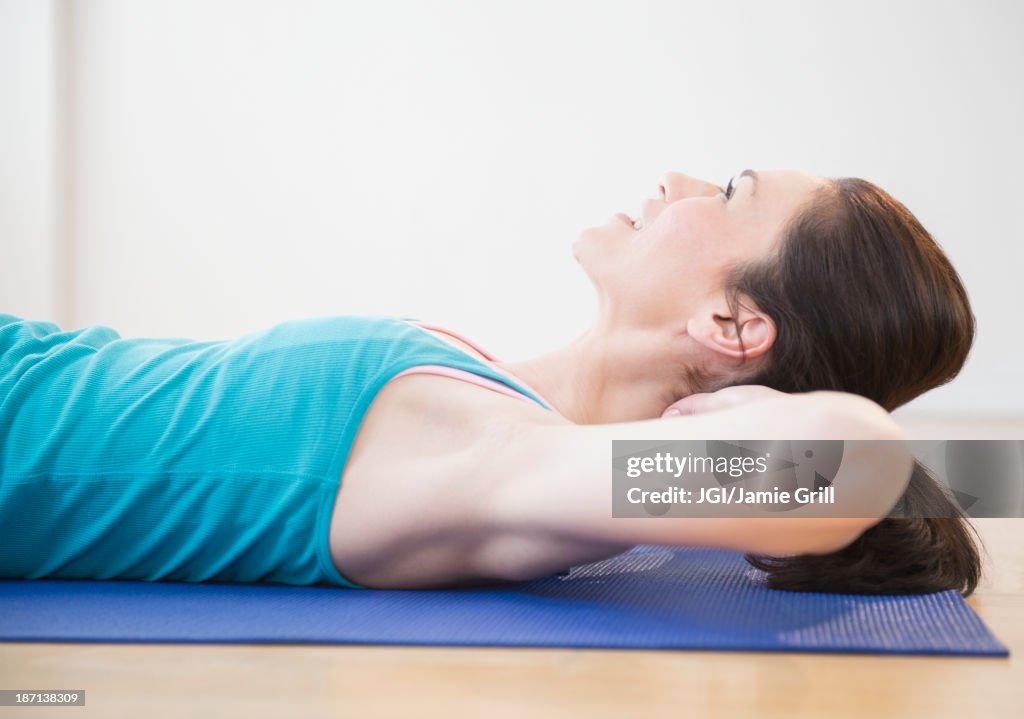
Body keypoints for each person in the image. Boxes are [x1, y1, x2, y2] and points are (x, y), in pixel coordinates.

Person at [0, 169, 980, 595]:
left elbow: (844, 466)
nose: (678, 179)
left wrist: (743, 413)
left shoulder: (499, 464)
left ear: (731, 324)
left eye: (729, 190)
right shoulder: (495, 401)